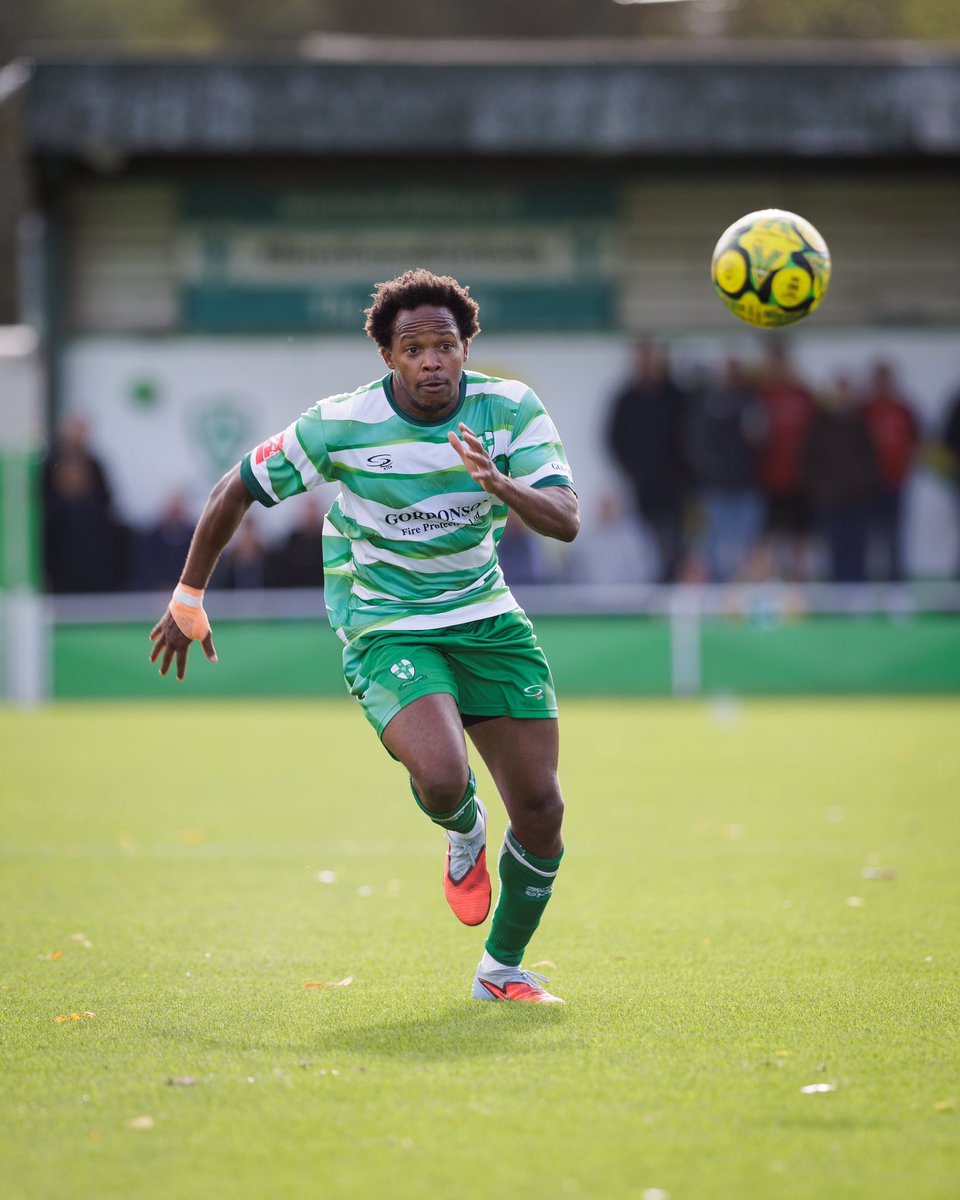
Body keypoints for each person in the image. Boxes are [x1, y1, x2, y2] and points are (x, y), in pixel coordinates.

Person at [148, 269, 579, 1004]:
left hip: (485, 614)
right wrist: (189, 594)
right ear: (389, 357)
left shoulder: (509, 410)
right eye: (414, 348)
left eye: (446, 344)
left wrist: (500, 485)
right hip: (385, 621)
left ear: (466, 347)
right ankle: (463, 827)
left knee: (542, 809)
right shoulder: (340, 424)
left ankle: (502, 969)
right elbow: (235, 488)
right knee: (444, 776)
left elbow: (565, 518)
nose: (432, 361)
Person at [605, 341, 689, 583]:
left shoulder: (674, 398)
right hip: (640, 490)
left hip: (673, 490)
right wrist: (633, 471)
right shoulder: (627, 399)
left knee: (673, 547)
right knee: (642, 549)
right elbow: (613, 439)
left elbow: (688, 438)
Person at [684, 356, 765, 583]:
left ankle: (740, 603)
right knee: (711, 552)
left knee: (746, 551)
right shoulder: (706, 405)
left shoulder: (751, 403)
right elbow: (697, 445)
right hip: (714, 490)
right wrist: (710, 474)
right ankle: (715, 601)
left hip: (746, 487)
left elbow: (760, 440)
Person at [801, 375, 878, 583]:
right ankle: (838, 596)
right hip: (831, 500)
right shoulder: (820, 425)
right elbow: (811, 462)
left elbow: (871, 459)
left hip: (858, 498)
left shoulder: (860, 423)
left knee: (858, 552)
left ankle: (858, 596)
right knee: (835, 551)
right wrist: (822, 491)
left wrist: (864, 486)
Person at [755, 342, 816, 581]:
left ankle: (799, 584)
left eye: (781, 362)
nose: (777, 368)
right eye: (773, 363)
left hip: (799, 480)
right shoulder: (760, 395)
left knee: (799, 537)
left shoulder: (803, 395)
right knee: (768, 538)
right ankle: (771, 583)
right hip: (768, 479)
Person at [859, 361, 919, 581]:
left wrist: (906, 470)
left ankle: (896, 584)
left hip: (895, 483)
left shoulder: (903, 409)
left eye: (886, 377)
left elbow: (916, 440)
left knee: (894, 538)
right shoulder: (864, 409)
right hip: (868, 485)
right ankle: (864, 587)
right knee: (866, 539)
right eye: (879, 378)